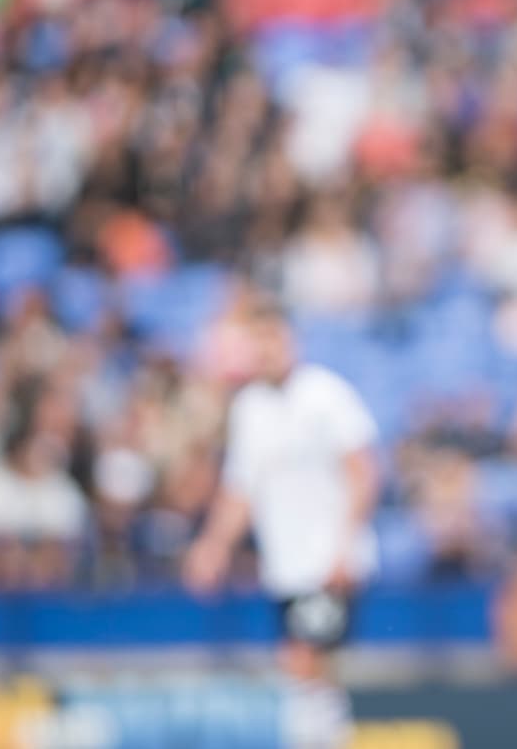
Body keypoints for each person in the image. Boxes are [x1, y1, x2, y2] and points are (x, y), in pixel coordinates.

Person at [184, 296, 380, 749]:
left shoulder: (326, 395)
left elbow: (363, 472)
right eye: (258, 341)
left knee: (303, 661)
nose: (267, 350)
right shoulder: (249, 408)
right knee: (308, 670)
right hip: (286, 566)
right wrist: (213, 545)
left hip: (326, 562)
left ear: (292, 340)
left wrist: (345, 547)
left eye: (274, 338)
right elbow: (240, 490)